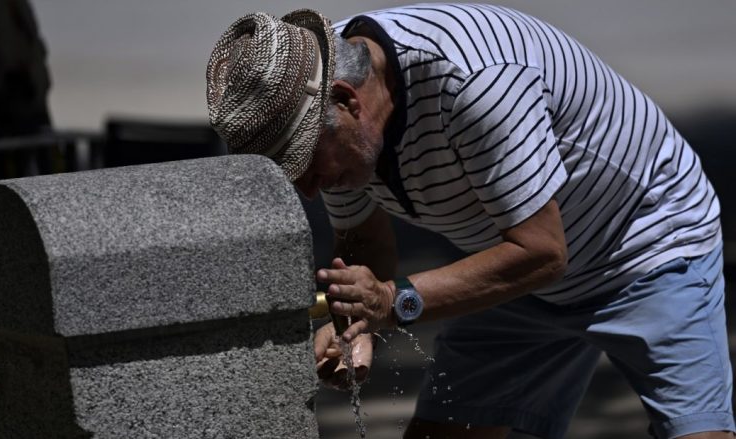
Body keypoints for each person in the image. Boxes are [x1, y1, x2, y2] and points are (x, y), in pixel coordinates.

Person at [206, 5, 733, 439]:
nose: (309, 191)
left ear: (347, 102)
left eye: (309, 163)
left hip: (643, 245)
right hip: (515, 265)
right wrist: (357, 326)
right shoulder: (328, 91)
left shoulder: (474, 82)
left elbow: (542, 253)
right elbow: (364, 237)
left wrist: (391, 303)